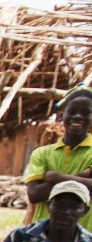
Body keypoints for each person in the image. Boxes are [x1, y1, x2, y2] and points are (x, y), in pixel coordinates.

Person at [24, 87, 92, 229]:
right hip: (44, 235)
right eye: (72, 111)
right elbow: (35, 195)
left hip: (86, 238)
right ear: (61, 115)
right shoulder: (42, 153)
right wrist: (83, 177)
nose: (78, 116)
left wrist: (55, 177)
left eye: (86, 112)